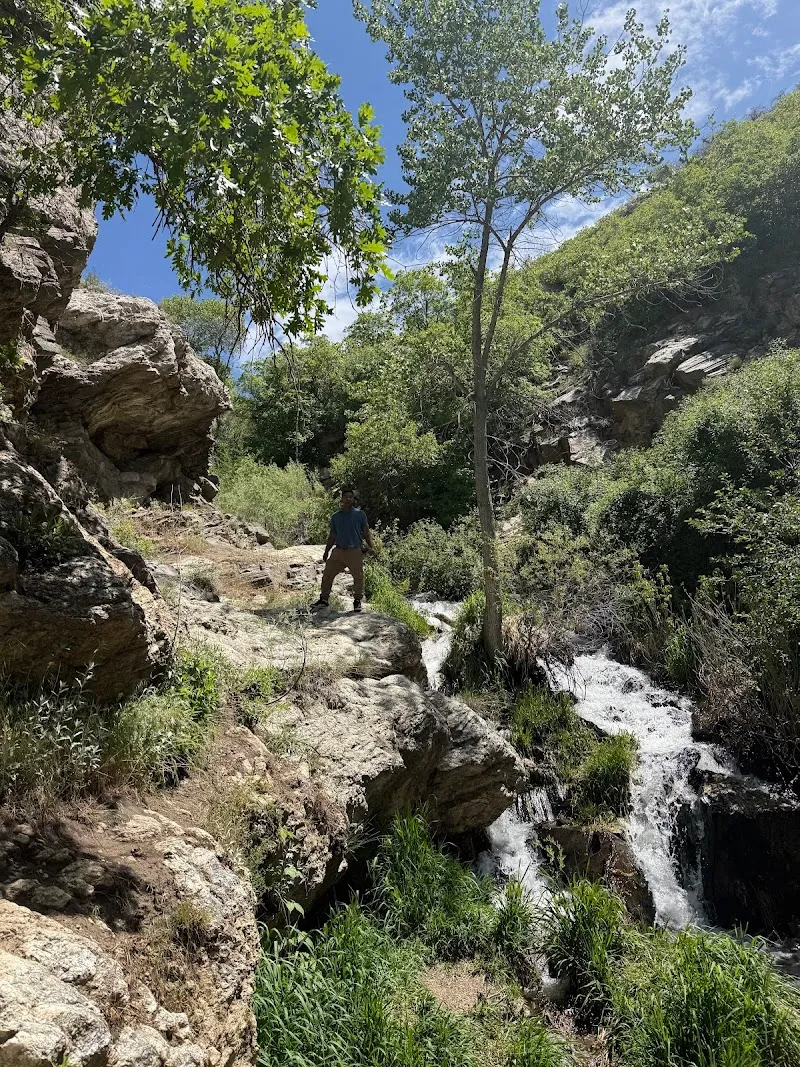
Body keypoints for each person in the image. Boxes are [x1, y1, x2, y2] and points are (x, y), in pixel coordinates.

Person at [312, 486, 374, 612]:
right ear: (341, 499)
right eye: (345, 497)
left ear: (353, 499)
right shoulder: (336, 517)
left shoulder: (360, 515)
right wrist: (326, 551)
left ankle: (357, 601)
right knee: (327, 574)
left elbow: (366, 532)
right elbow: (332, 536)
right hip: (338, 551)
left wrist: (372, 546)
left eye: (350, 497)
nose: (348, 499)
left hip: (354, 551)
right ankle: (323, 599)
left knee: (358, 577)